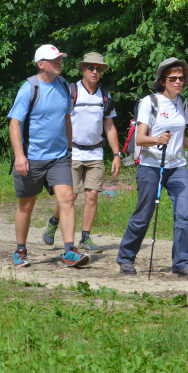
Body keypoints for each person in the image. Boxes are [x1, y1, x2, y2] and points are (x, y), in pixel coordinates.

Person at [116, 58, 188, 277]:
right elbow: (140, 139)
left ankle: (181, 262)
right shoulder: (149, 103)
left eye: (181, 78)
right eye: (173, 78)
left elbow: (180, 139)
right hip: (151, 165)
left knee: (183, 214)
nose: (178, 81)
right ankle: (126, 258)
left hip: (177, 166)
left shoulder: (182, 103)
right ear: (162, 80)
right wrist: (157, 138)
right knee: (144, 214)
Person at [8, 44, 90, 268]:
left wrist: (70, 150)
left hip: (59, 156)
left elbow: (66, 119)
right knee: (27, 204)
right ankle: (20, 251)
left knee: (67, 198)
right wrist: (19, 156)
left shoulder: (64, 86)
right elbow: (15, 123)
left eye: (60, 59)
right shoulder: (29, 88)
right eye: (54, 60)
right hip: (32, 157)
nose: (59, 63)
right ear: (40, 64)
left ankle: (69, 251)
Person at [43, 52, 121, 253]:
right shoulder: (71, 91)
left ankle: (85, 238)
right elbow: (59, 120)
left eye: (98, 68)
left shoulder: (105, 95)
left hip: (95, 153)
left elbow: (110, 127)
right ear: (83, 69)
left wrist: (117, 154)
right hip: (72, 152)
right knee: (70, 196)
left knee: (92, 195)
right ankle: (54, 220)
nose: (95, 72)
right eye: (90, 68)